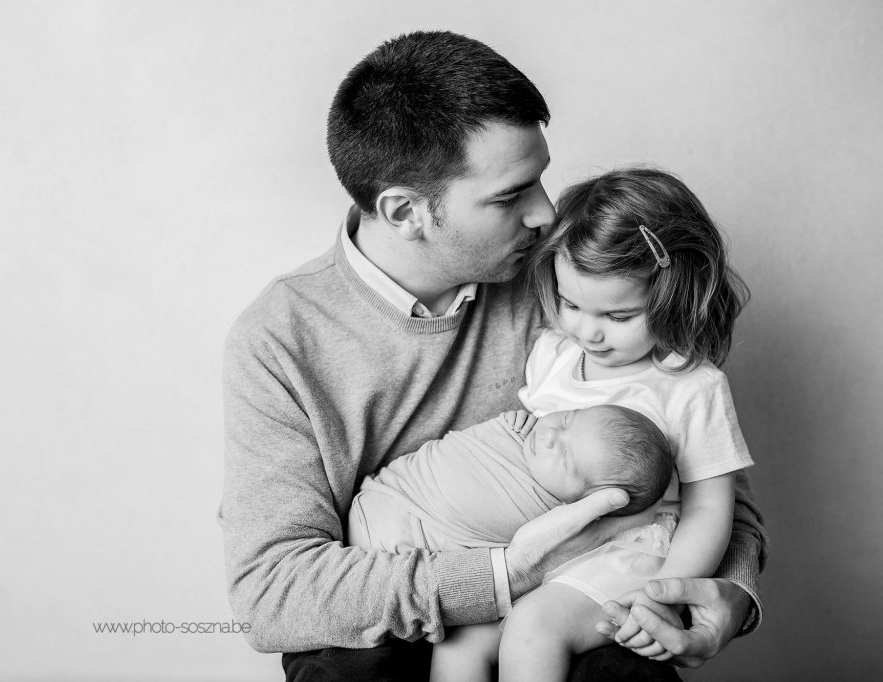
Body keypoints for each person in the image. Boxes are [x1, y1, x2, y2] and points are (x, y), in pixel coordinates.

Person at [220, 31, 766, 681]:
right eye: (511, 195)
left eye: (541, 179)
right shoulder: (280, 339)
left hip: (570, 589)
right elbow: (273, 592)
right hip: (393, 611)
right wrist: (502, 577)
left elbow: (703, 482)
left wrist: (727, 597)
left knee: (624, 670)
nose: (545, 214)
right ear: (407, 211)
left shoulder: (567, 287)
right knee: (346, 669)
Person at [489, 167, 755, 681]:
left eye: (618, 316)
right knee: (462, 639)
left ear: (674, 294)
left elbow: (710, 509)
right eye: (571, 304)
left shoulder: (690, 387)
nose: (587, 331)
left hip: (628, 555)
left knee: (532, 629)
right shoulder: (552, 353)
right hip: (540, 546)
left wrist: (664, 594)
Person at [348, 405, 675, 554]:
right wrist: (508, 425)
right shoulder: (519, 431)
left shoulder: (556, 518)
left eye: (563, 457)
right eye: (565, 419)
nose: (549, 436)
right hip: (385, 494)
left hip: (403, 549)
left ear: (590, 502)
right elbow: (475, 444)